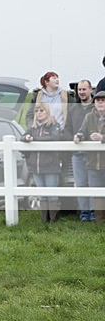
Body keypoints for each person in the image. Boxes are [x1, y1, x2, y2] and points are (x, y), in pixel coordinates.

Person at [22, 103, 62, 223]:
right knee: (42, 194)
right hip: (36, 166)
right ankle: (44, 220)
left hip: (51, 166)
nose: (39, 113)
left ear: (47, 112)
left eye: (41, 110)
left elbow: (53, 138)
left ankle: (53, 220)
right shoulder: (32, 127)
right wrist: (26, 138)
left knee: (51, 194)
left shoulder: (54, 125)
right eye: (36, 111)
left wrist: (34, 139)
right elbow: (22, 137)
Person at [74, 90, 105, 223]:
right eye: (98, 100)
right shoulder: (88, 117)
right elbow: (82, 131)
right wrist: (78, 136)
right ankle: (99, 221)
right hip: (92, 163)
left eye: (103, 100)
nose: (100, 103)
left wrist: (102, 138)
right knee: (96, 194)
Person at [68, 80, 95, 221]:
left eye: (84, 89)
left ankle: (94, 212)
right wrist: (71, 139)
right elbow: (67, 128)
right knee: (80, 183)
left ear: (91, 90)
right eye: (79, 90)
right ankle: (84, 212)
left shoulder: (96, 107)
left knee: (93, 183)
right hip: (77, 153)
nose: (81, 92)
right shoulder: (73, 108)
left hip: (93, 153)